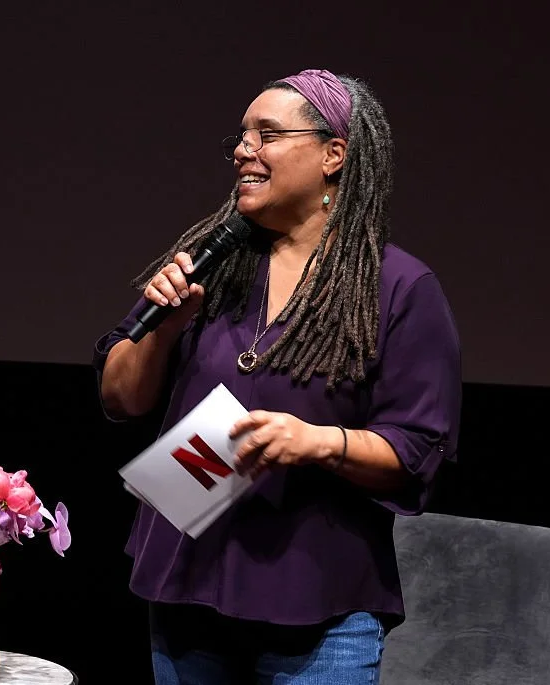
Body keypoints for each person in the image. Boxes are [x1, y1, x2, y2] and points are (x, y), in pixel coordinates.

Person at [91, 68, 462, 684]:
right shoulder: (215, 259)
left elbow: (417, 448)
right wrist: (163, 327)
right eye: (241, 136)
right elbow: (119, 397)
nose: (243, 150)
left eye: (267, 133)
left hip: (320, 603)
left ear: (333, 155)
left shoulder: (398, 287)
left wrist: (319, 441)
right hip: (188, 586)